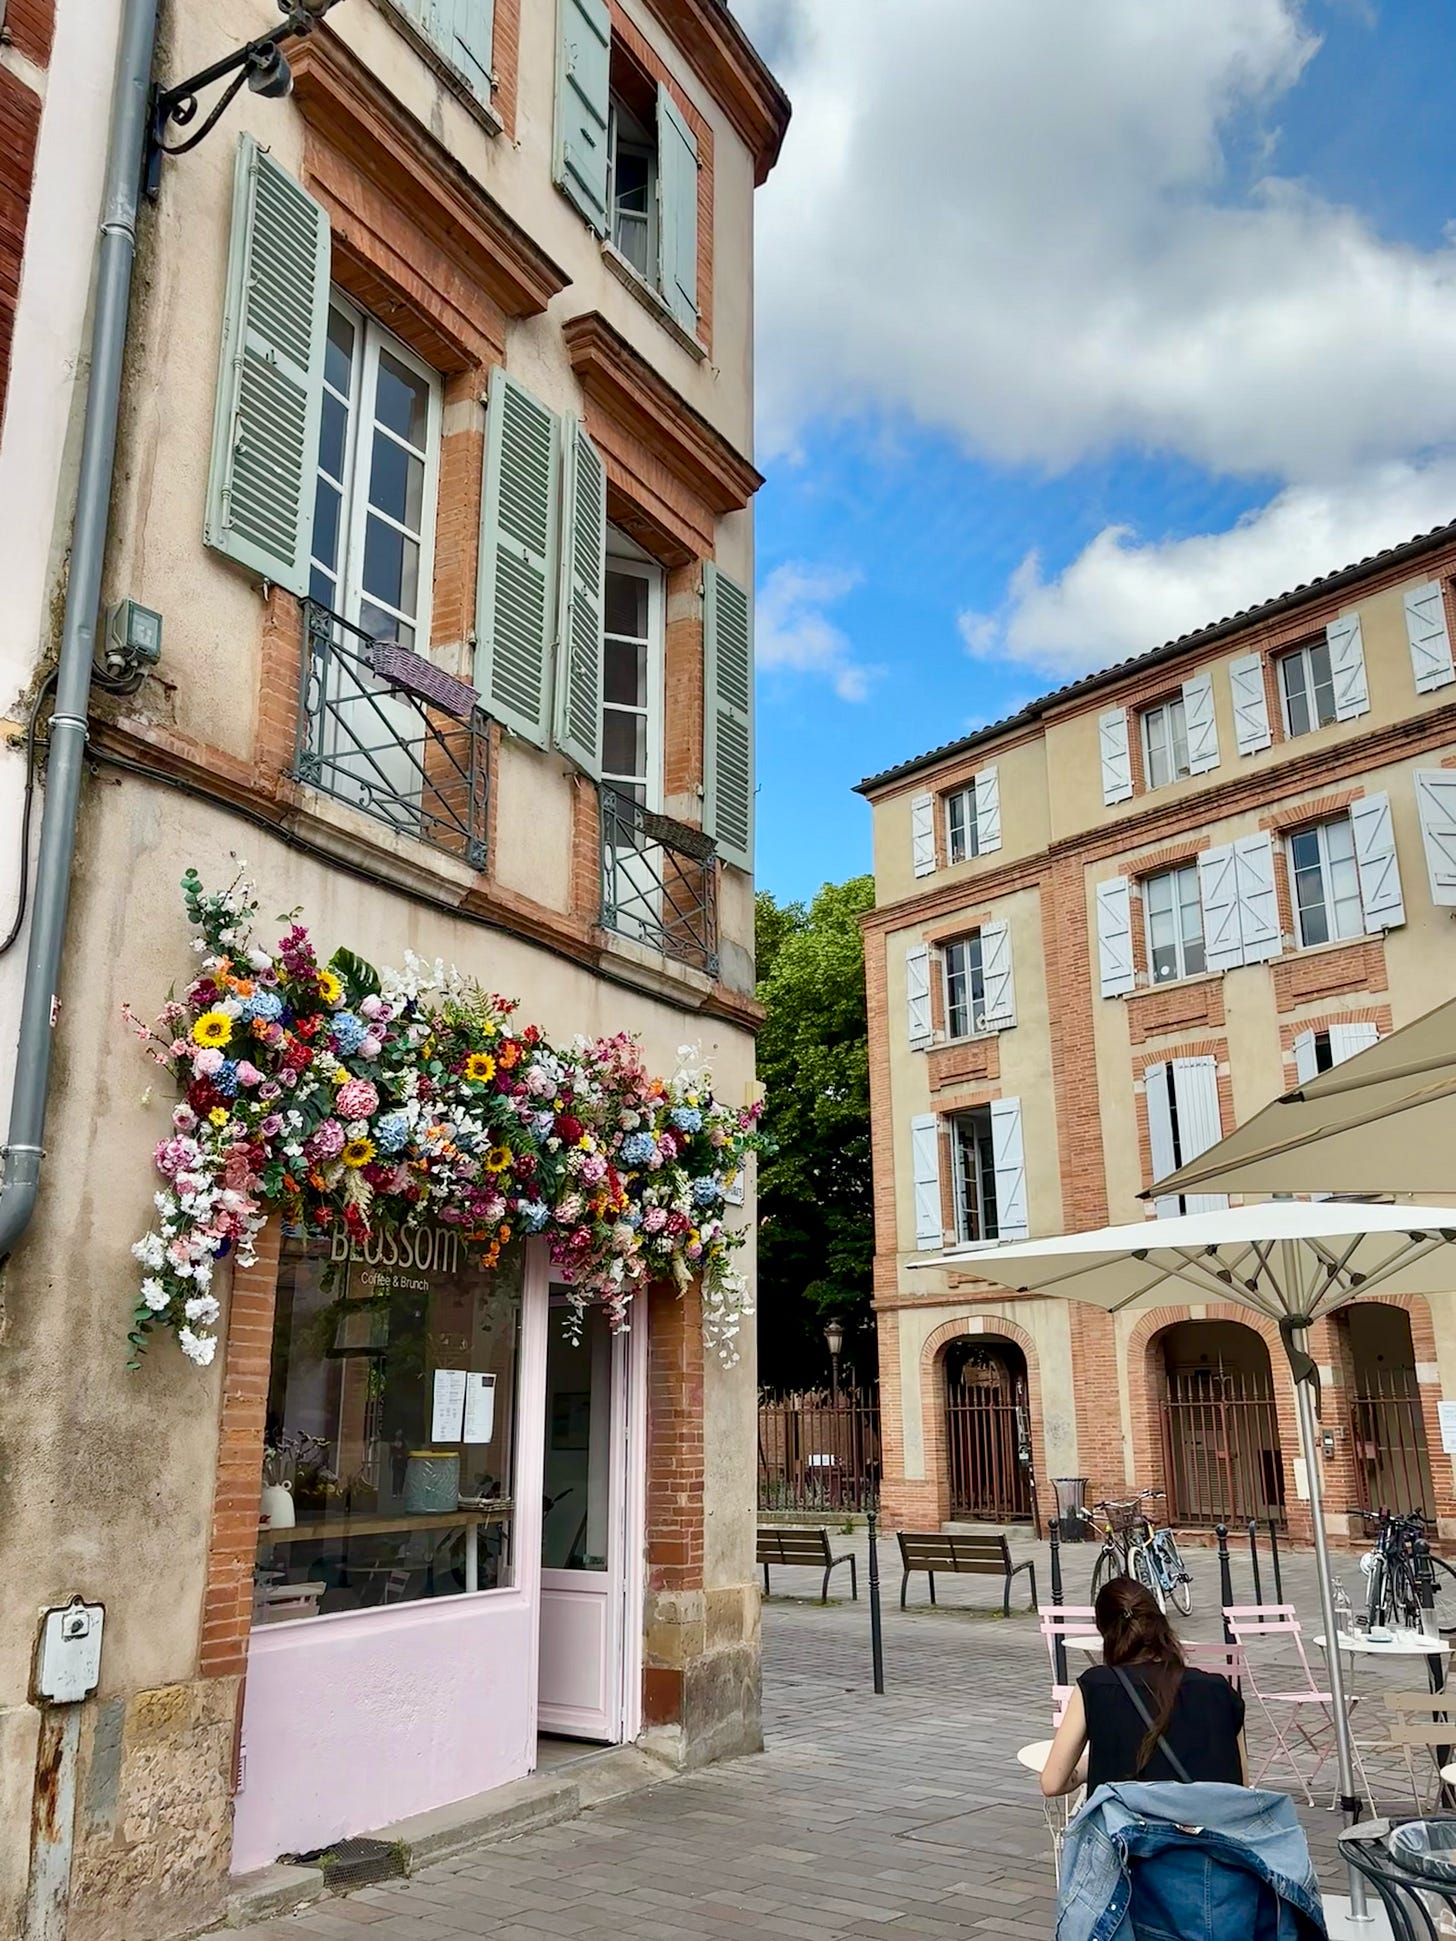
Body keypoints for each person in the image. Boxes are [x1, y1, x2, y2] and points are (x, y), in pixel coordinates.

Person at [1040, 1577, 1247, 1799]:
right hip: (1212, 1820)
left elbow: (1052, 1783)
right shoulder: (1219, 1690)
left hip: (1128, 1820)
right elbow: (1242, 1787)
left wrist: (1090, 1765)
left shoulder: (1096, 1686)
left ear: (1106, 1633)